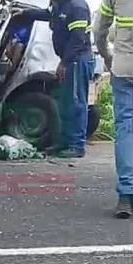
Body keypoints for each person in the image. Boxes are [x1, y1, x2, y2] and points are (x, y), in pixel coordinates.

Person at [12, 0, 94, 158]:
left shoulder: (77, 7)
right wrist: (25, 14)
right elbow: (48, 14)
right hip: (68, 60)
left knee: (76, 103)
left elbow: (78, 39)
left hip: (77, 60)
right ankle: (64, 142)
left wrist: (64, 63)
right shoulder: (59, 5)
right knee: (65, 103)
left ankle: (77, 146)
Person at [93, 0, 133, 219]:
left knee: (126, 129)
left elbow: (99, 30)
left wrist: (108, 56)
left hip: (124, 68)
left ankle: (126, 195)